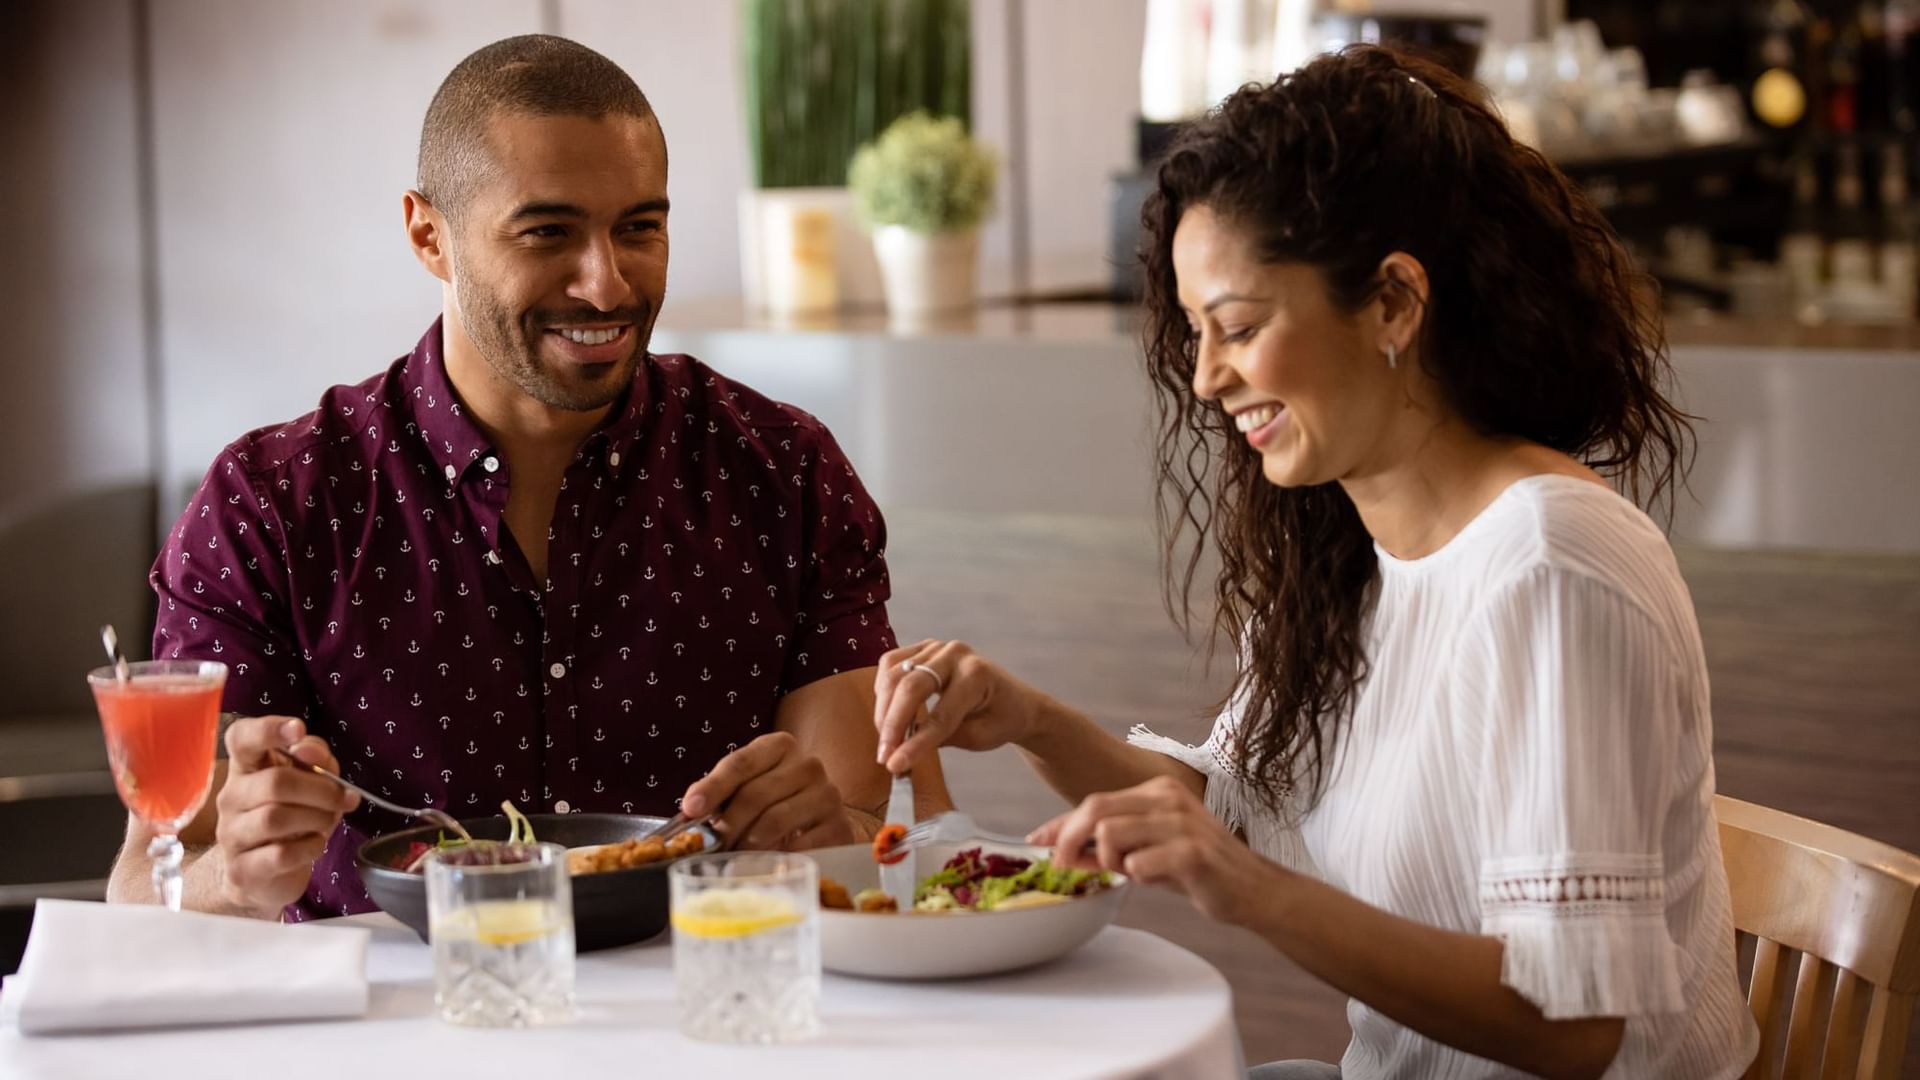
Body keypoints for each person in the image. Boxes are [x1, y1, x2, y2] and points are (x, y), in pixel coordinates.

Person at [871, 47, 1756, 1078]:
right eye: (1197, 333)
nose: (1205, 377)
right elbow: (1235, 816)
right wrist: (1029, 721)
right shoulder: (1362, 554)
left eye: (1238, 327)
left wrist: (1250, 895)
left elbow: (1575, 1026)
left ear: (1392, 304)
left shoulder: (1552, 568)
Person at [107, 34, 948, 922]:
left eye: (640, 228)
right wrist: (231, 878)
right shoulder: (271, 504)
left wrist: (825, 837)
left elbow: (876, 840)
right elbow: (142, 885)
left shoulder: (784, 474)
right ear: (428, 233)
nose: (605, 284)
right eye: (550, 232)